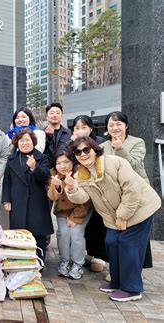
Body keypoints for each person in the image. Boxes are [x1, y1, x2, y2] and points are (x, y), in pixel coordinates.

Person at [65, 137, 161, 302]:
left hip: (140, 209)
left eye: (86, 150)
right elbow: (83, 198)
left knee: (128, 245)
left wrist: (123, 216)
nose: (83, 154)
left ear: (95, 149)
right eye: (78, 152)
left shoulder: (115, 163)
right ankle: (117, 282)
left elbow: (132, 190)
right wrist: (72, 188)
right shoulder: (81, 173)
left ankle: (132, 289)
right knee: (111, 242)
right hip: (114, 216)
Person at [100, 111, 153, 269]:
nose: (115, 127)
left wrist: (121, 149)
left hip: (136, 194)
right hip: (115, 197)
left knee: (133, 236)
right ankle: (116, 270)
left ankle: (132, 271)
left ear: (126, 125)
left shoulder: (137, 142)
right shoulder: (103, 146)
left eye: (118, 124)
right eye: (111, 124)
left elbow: (136, 165)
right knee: (115, 237)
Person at [2, 128, 52, 262]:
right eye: (21, 140)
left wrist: (34, 167)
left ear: (33, 142)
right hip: (17, 202)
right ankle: (20, 263)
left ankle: (39, 264)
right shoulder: (12, 159)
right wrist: (6, 200)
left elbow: (46, 177)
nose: (24, 143)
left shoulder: (42, 157)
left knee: (38, 236)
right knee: (19, 235)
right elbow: (7, 180)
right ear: (16, 143)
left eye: (27, 140)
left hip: (37, 203)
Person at [70, 115, 107, 273]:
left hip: (100, 190)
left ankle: (99, 257)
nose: (81, 131)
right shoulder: (71, 144)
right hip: (82, 189)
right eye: (77, 128)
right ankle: (89, 254)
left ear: (91, 128)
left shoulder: (99, 143)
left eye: (84, 127)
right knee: (88, 225)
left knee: (99, 223)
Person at [48, 150, 93, 279]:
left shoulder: (82, 173)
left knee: (76, 233)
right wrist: (55, 186)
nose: (62, 166)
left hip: (81, 209)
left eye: (66, 162)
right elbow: (51, 197)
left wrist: (75, 217)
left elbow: (87, 200)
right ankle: (65, 261)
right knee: (63, 233)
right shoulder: (53, 174)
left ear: (73, 162)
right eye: (58, 163)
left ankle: (78, 264)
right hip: (63, 210)